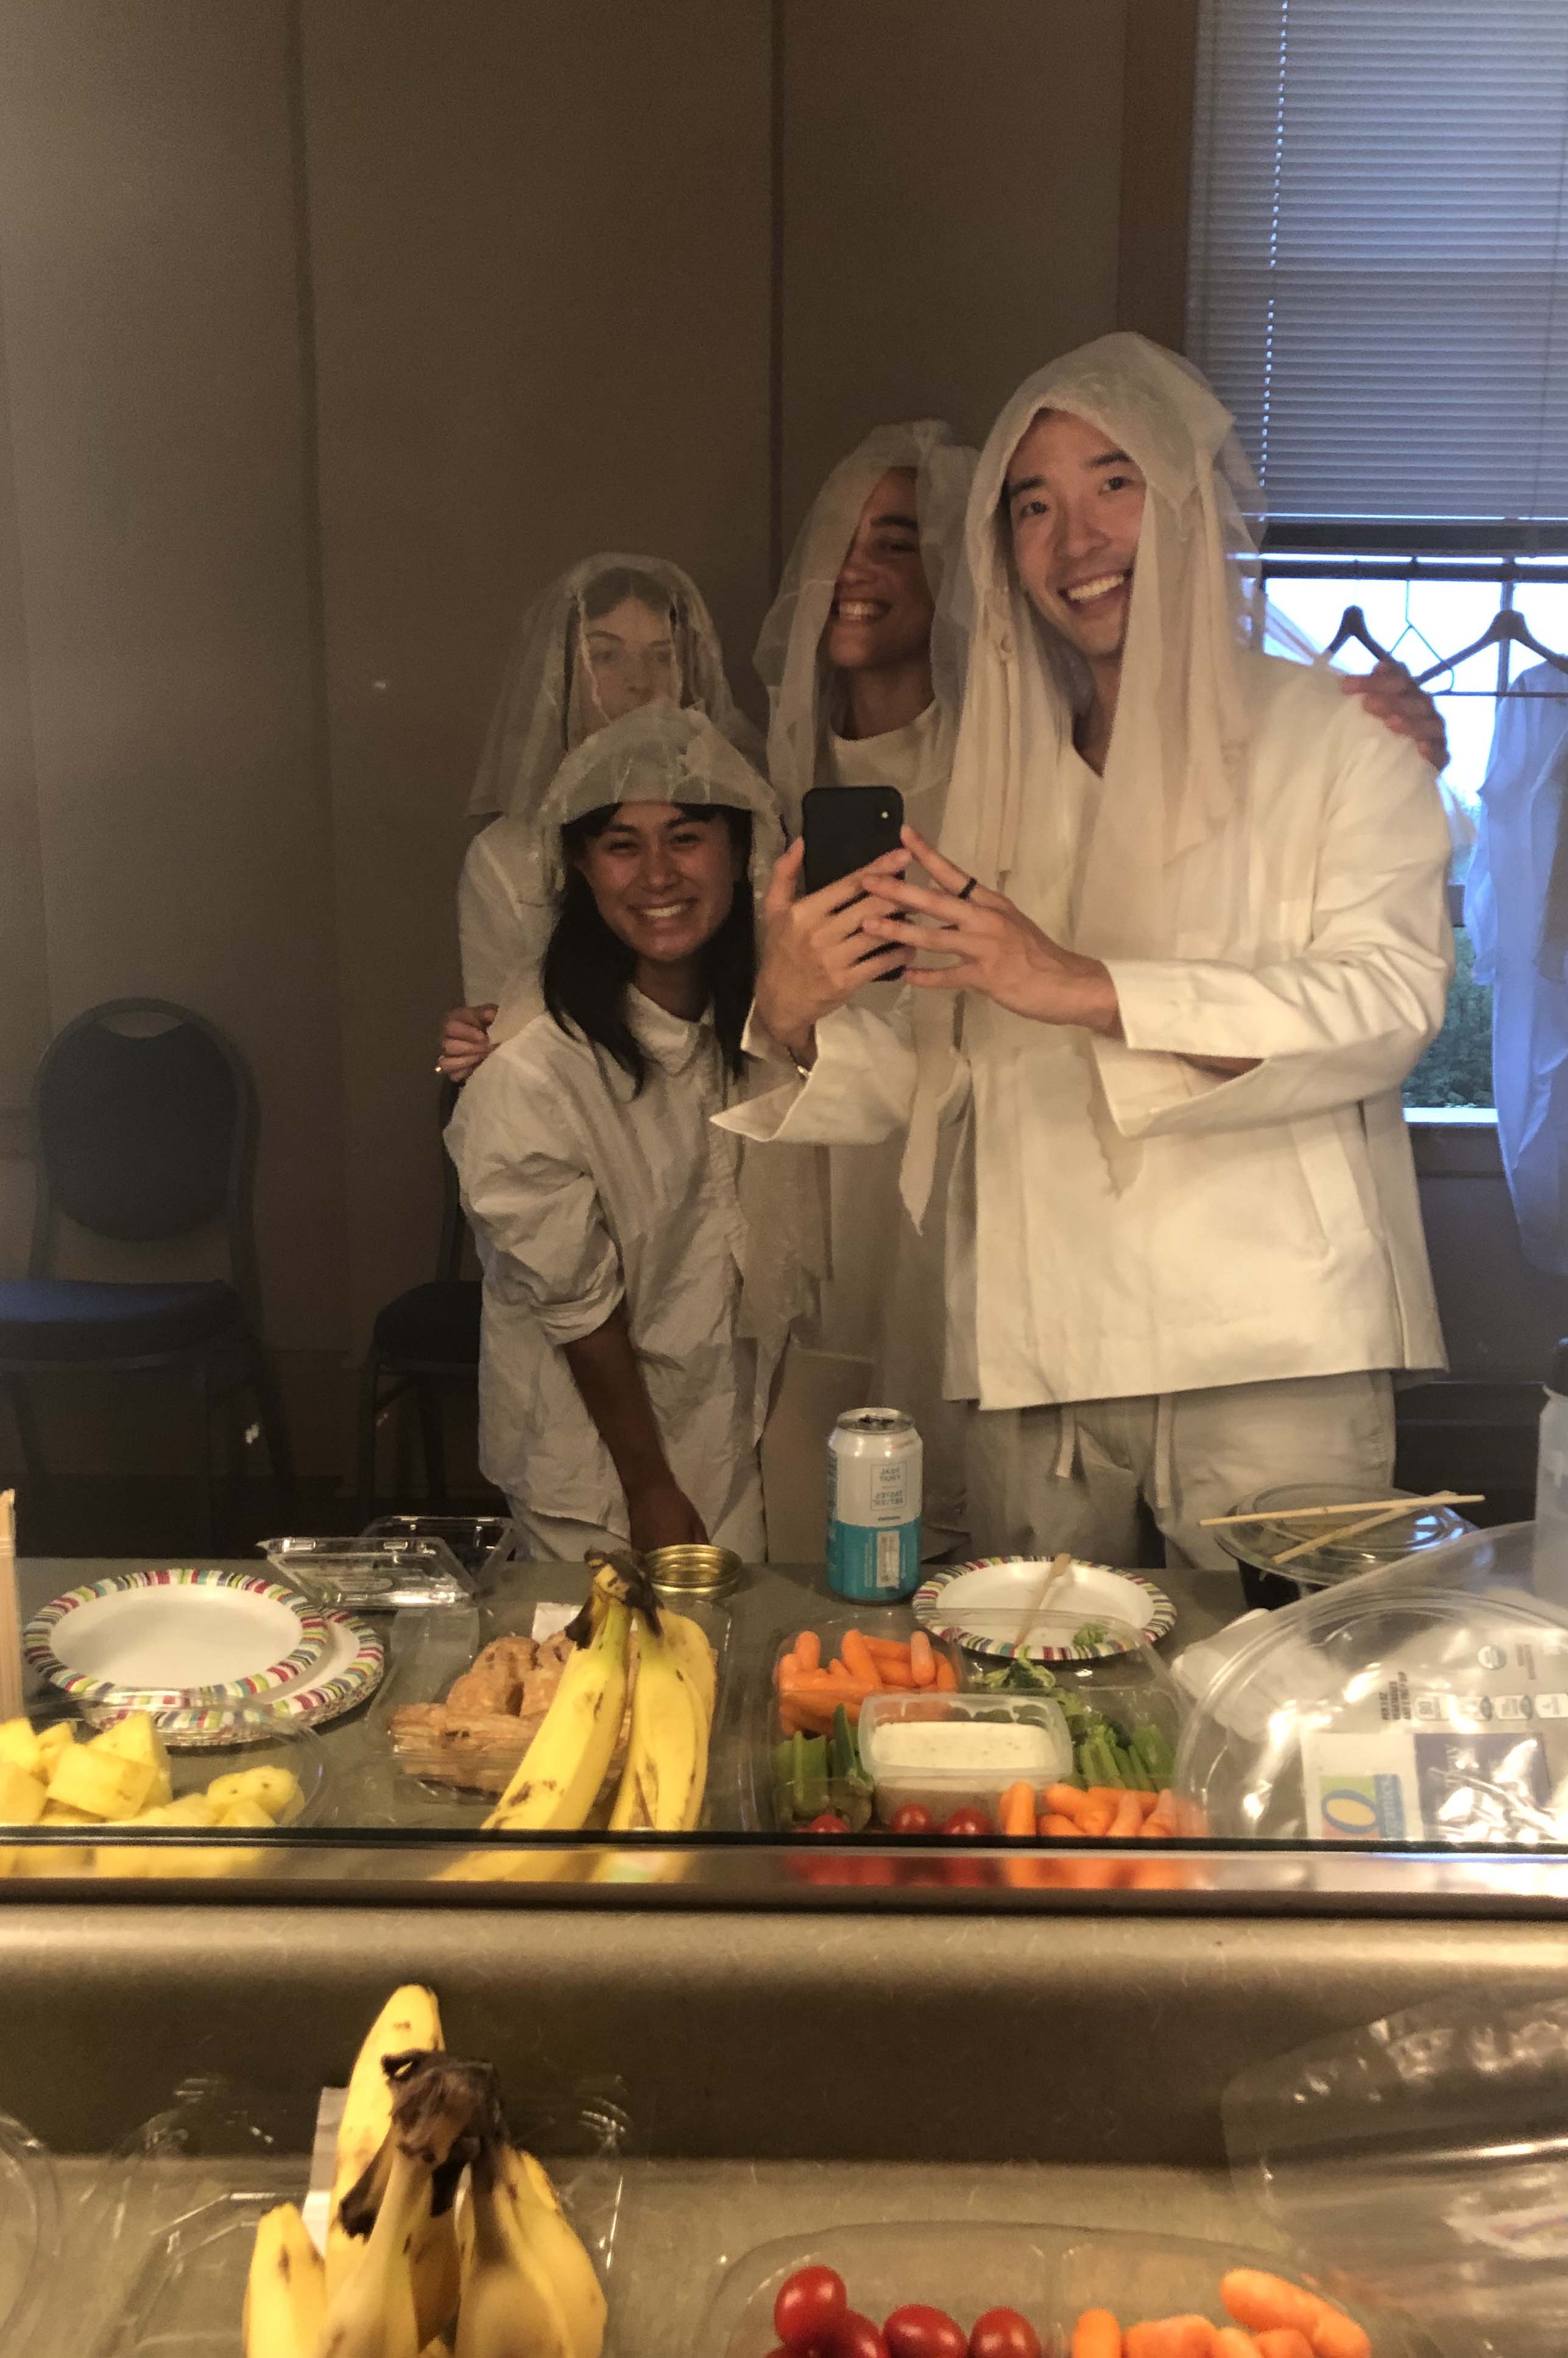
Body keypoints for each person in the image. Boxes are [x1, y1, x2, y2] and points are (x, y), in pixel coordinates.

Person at [723, 333, 1455, 1575]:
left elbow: (1390, 1000)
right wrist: (790, 1019)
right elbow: (928, 1061)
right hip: (1042, 1335)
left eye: (1113, 483)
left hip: (1267, 1339)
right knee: (1038, 1711)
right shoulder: (983, 782)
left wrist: (1089, 987)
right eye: (1033, 504)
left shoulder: (1339, 739)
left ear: (1188, 502)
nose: (1076, 541)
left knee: (1271, 1709)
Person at [445, 704, 796, 1562]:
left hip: (737, 1435)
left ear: (738, 849)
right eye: (621, 844)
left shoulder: (765, 1026)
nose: (657, 875)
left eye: (685, 836)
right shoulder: (535, 1066)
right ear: (578, 861)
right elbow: (578, 1307)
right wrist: (648, 1485)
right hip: (597, 1467)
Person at [757, 423, 978, 1551]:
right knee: (817, 1417)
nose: (856, 571)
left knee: (942, 1374)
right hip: (805, 1129)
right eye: (840, 544)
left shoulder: (998, 754)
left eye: (896, 542)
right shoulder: (773, 770)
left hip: (958, 1124)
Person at [440, 553, 757, 1078]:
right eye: (606, 657)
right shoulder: (505, 855)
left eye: (663, 656)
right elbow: (500, 1041)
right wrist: (475, 1040)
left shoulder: (734, 820)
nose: (639, 683)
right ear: (562, 673)